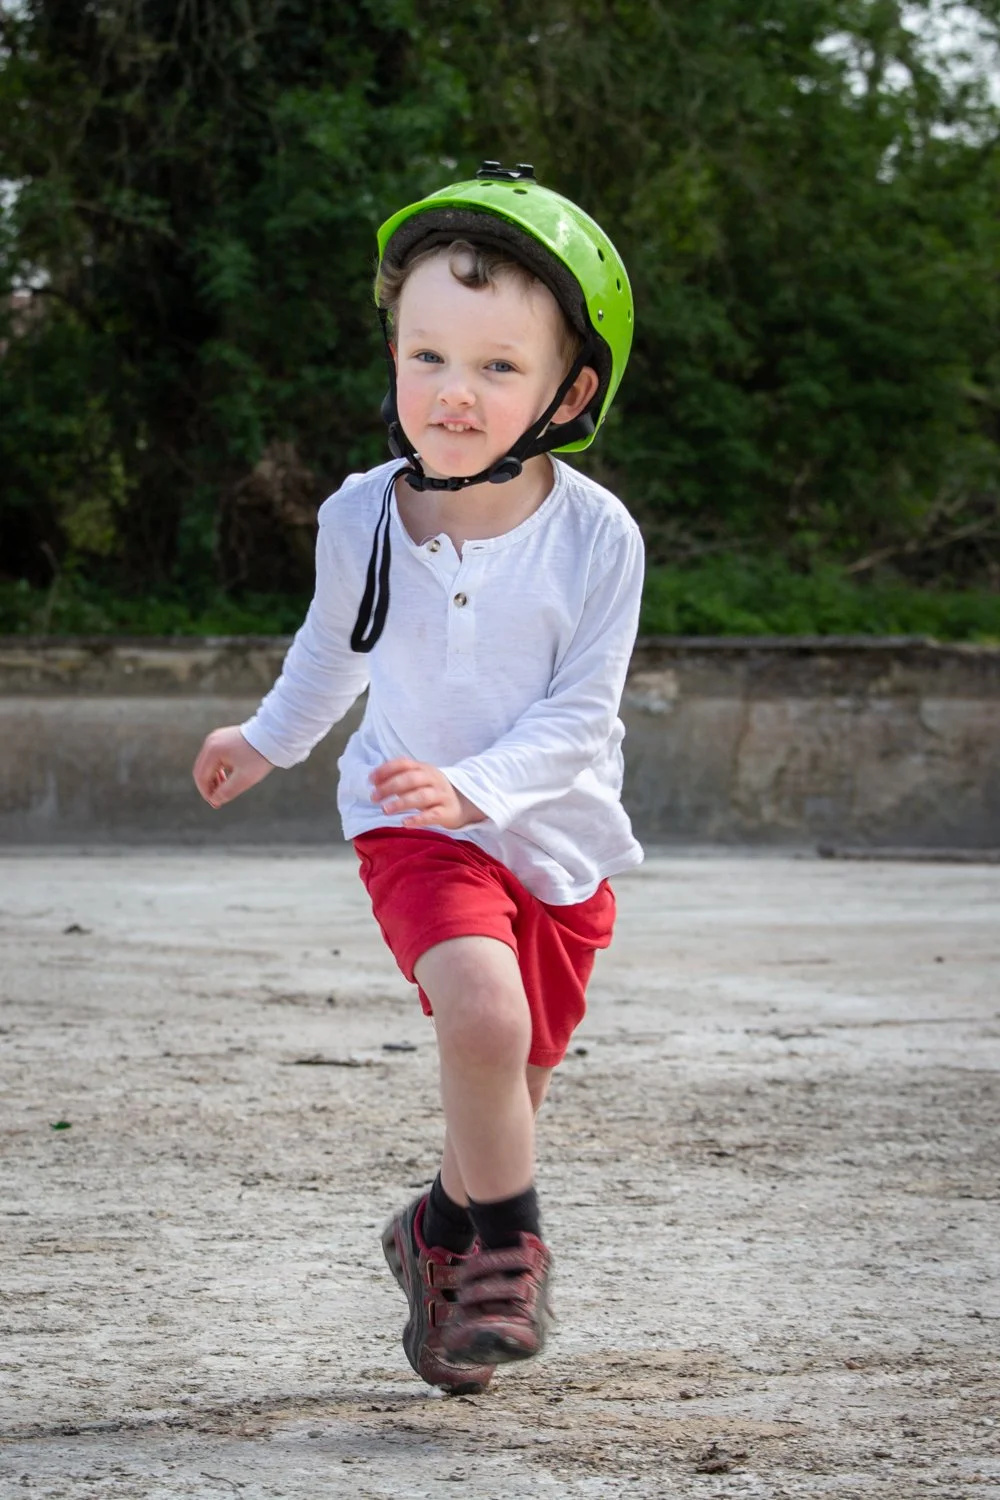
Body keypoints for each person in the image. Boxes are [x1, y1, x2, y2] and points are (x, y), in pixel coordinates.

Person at [192, 161, 644, 1396]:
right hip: (410, 821)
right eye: (427, 356)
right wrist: (266, 740)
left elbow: (579, 718)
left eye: (499, 367)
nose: (454, 391)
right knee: (482, 1022)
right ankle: (505, 1253)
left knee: (511, 1084)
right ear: (392, 356)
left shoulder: (598, 537)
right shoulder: (361, 516)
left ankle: (436, 1235)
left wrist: (486, 788)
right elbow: (330, 654)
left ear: (570, 389)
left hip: (551, 837)